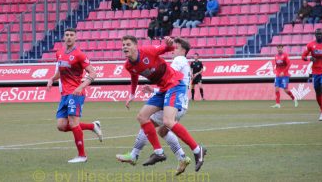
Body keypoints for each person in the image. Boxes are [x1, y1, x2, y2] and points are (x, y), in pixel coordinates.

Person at [122, 35, 207, 170]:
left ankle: (197, 150)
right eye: (123, 45)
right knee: (143, 117)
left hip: (174, 85)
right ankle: (159, 153)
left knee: (167, 122)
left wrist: (167, 47)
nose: (125, 47)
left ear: (135, 46)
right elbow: (135, 77)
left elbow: (168, 56)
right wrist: (133, 93)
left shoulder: (166, 55)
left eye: (128, 44)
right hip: (164, 89)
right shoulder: (128, 65)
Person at [46, 28, 102, 163]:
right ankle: (93, 126)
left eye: (71, 35)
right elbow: (61, 71)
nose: (69, 37)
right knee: (61, 126)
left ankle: (82, 156)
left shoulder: (79, 55)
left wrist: (81, 86)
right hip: (64, 94)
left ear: (75, 38)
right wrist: (52, 79)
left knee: (73, 122)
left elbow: (93, 73)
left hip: (76, 94)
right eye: (67, 35)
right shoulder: (59, 53)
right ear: (63, 37)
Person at [301, 28, 322, 121]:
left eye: (320, 34)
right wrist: (309, 59)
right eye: (317, 34)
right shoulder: (311, 45)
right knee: (317, 91)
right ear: (315, 35)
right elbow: (303, 57)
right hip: (315, 71)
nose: (319, 35)